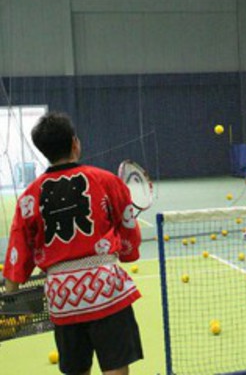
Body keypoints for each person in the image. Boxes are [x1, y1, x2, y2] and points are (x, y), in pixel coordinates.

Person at [2, 112, 143, 375]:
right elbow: (129, 235)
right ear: (75, 143)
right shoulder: (106, 181)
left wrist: (11, 289)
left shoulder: (28, 198)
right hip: (104, 289)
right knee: (116, 369)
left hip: (62, 297)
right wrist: (127, 252)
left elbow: (18, 254)